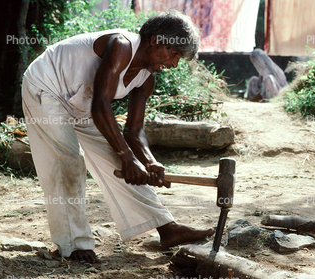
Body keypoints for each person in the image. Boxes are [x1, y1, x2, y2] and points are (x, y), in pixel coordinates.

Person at [21, 10, 215, 263]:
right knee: (67, 159)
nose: (174, 64)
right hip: (46, 87)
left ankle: (167, 228)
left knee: (119, 160)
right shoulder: (122, 46)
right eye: (175, 54)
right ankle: (74, 244)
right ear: (155, 40)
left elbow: (133, 131)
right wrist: (128, 157)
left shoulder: (146, 78)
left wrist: (149, 162)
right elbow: (101, 105)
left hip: (82, 101)